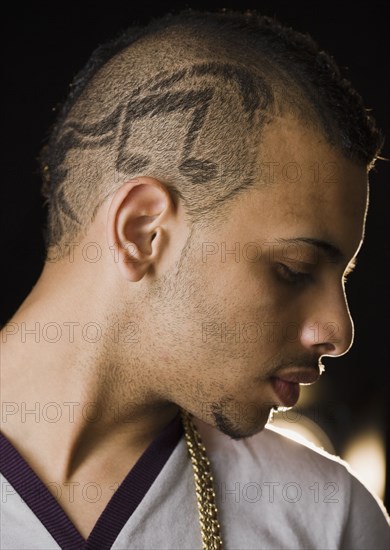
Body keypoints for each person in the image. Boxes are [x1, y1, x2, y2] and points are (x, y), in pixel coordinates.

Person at [1, 9, 389, 549]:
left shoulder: (326, 516)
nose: (338, 331)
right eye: (294, 270)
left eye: (342, 277)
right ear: (144, 232)